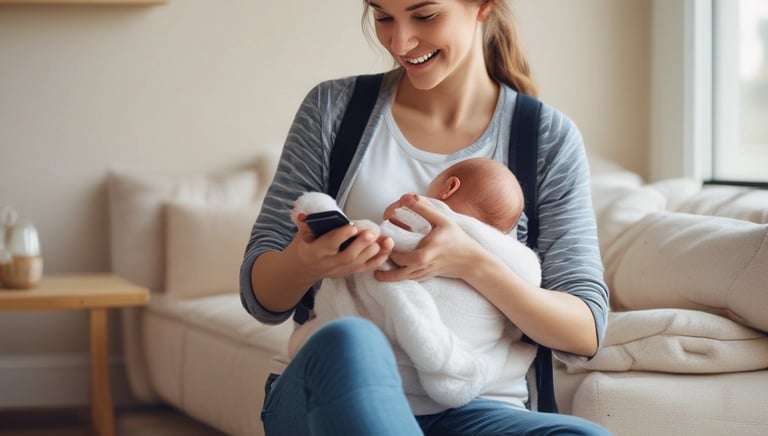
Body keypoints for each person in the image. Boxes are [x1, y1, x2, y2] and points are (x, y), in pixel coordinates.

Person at [240, 0, 611, 434]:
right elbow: (259, 296)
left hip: (478, 409)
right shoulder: (333, 109)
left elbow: (585, 330)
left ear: (483, 6)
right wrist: (306, 262)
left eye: (425, 15)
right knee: (351, 341)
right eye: (383, 17)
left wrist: (471, 262)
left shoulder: (545, 137)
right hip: (332, 392)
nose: (400, 41)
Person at [291, 158, 541, 410]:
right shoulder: (513, 256)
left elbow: (391, 231)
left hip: (388, 372)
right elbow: (531, 277)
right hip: (472, 373)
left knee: (365, 239)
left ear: (449, 188)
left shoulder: (430, 212)